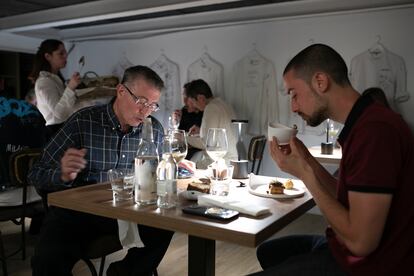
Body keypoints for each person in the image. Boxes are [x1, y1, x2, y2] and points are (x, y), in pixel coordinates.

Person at [253, 44, 414, 275]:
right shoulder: (365, 122)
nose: (293, 106)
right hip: (342, 247)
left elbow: (361, 243)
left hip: (368, 265)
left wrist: (304, 174)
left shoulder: (375, 131)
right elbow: (349, 197)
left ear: (320, 81)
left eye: (294, 94)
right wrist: (306, 159)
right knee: (268, 251)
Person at [28, 65, 174, 276]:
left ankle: (123, 272)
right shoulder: (83, 122)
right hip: (80, 213)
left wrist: (173, 169)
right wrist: (61, 174)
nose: (146, 111)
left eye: (152, 105)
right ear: (121, 91)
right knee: (47, 260)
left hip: (128, 212)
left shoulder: (154, 130)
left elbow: (159, 176)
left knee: (166, 223)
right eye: (141, 102)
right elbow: (36, 173)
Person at [28, 39, 82, 137]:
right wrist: (70, 88)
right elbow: (59, 114)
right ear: (48, 56)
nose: (65, 56)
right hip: (57, 131)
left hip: (63, 128)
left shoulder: (53, 79)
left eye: (65, 52)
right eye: (61, 53)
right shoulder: (44, 82)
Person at [185, 79, 238, 162]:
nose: (194, 106)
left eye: (193, 102)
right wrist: (200, 131)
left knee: (186, 164)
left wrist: (184, 138)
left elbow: (207, 143)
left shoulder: (211, 108)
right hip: (233, 157)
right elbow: (219, 133)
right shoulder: (224, 104)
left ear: (200, 98)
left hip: (223, 160)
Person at [173, 82, 203, 159]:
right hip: (183, 146)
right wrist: (175, 122)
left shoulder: (202, 113)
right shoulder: (184, 111)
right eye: (184, 96)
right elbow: (177, 133)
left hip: (194, 148)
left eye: (187, 97)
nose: (184, 99)